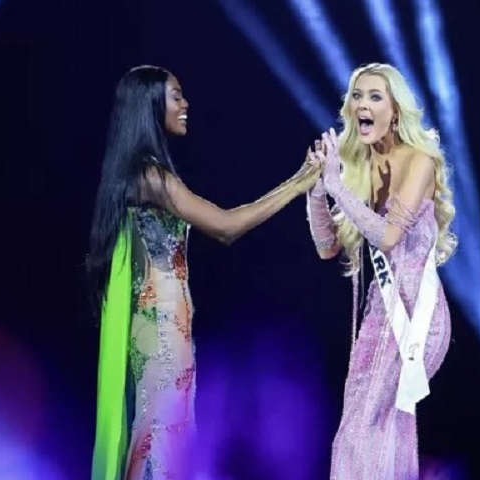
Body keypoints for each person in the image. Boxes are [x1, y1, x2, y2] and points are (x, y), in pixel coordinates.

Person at [87, 65, 323, 480]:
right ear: (150, 106)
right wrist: (297, 184)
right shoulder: (151, 178)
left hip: (169, 330)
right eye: (176, 96)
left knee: (165, 433)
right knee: (160, 436)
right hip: (160, 335)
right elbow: (226, 226)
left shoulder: (145, 174)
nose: (185, 104)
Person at [305, 63, 457, 479]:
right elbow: (327, 247)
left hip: (417, 317)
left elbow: (388, 237)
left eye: (375, 96)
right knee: (370, 426)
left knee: (367, 425)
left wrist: (337, 187)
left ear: (395, 111)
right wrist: (317, 192)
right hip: (379, 318)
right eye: (357, 96)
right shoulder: (358, 168)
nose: (363, 105)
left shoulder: (420, 161)